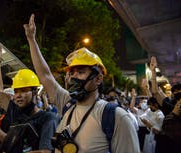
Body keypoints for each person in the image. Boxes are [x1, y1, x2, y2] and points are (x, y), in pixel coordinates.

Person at [24, 13, 140, 153]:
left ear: (98, 79)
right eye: (72, 73)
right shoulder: (67, 104)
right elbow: (46, 76)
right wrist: (31, 40)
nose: (74, 77)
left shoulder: (116, 117)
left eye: (81, 72)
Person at [0, 46, 58, 153]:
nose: (18, 95)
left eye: (23, 90)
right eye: (16, 91)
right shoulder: (16, 112)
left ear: (35, 92)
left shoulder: (47, 118)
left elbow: (45, 152)